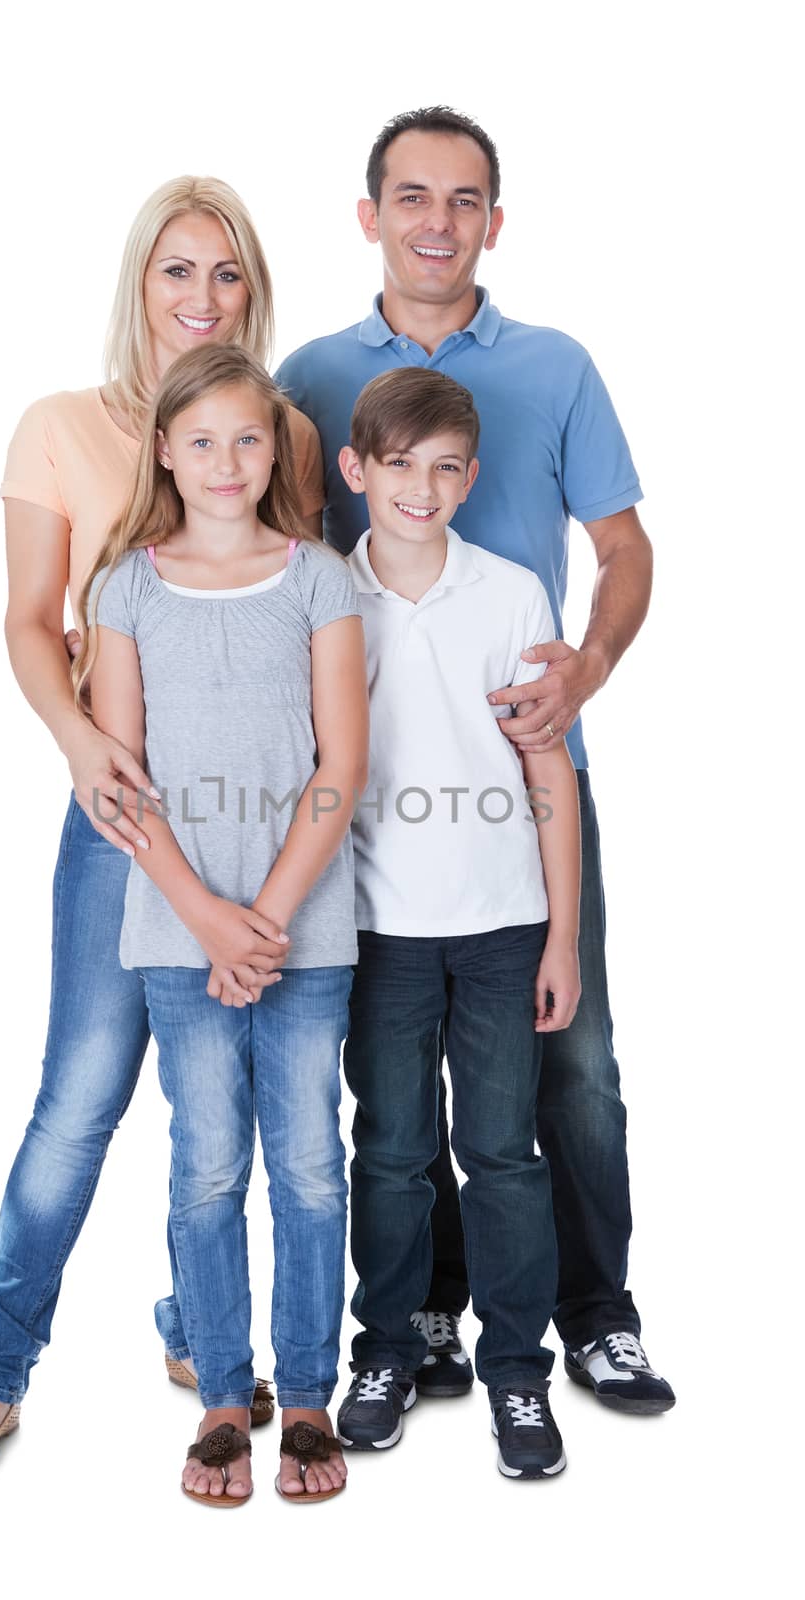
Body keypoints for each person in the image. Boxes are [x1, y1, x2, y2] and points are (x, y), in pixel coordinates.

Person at [0, 176, 326, 1489]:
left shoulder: (284, 431)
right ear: (139, 286)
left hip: (260, 822)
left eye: (228, 276)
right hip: (121, 811)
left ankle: (195, 1331)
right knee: (85, 1095)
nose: (203, 299)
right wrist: (84, 745)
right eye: (178, 271)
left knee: (235, 1095)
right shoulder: (62, 428)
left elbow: (300, 627)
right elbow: (31, 619)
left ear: (252, 297)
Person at [276, 106, 675, 1414]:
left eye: (463, 200)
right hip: (378, 806)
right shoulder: (312, 373)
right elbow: (261, 549)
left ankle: (593, 1312)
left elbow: (624, 550)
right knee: (393, 1093)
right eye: (411, 196)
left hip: (528, 777)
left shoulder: (555, 367)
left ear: (493, 222)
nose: (437, 221)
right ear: (370, 214)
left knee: (577, 1063)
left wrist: (587, 673)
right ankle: (427, 1319)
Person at [78, 344, 368, 1504]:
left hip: (306, 930)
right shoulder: (127, 589)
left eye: (249, 439)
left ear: (277, 450)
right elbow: (117, 779)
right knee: (205, 1170)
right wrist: (210, 920)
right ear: (164, 451)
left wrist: (271, 919)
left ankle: (305, 1397)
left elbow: (342, 764)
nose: (227, 462)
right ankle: (219, 1400)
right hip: (177, 929)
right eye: (201, 441)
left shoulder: (317, 580)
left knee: (306, 1166)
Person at [333, 367, 581, 1478]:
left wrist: (562, 935)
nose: (422, 489)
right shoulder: (327, 598)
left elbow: (548, 776)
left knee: (501, 1153)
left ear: (471, 477)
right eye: (399, 467)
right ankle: (386, 1349)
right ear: (357, 472)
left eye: (445, 468)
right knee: (387, 1151)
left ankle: (518, 1375)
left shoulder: (513, 593)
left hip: (500, 927)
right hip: (377, 931)